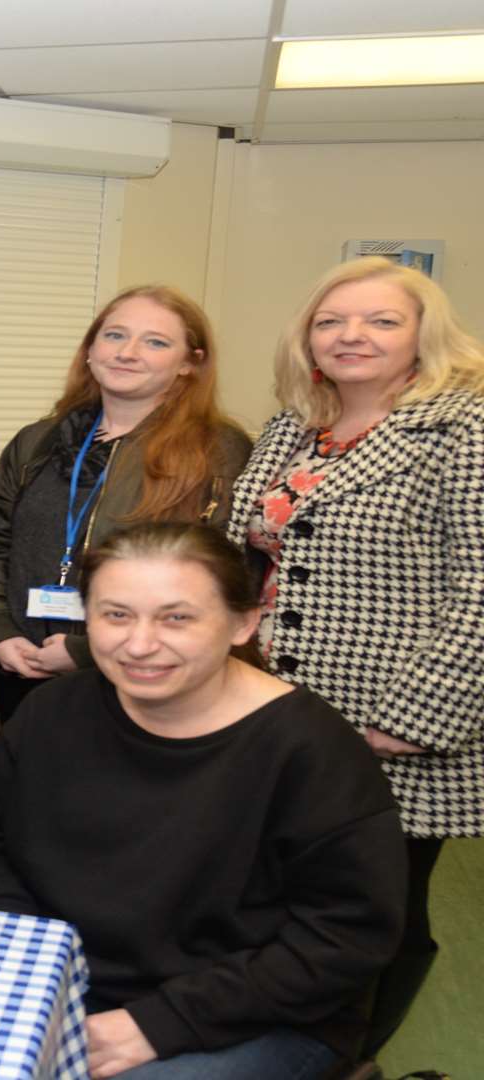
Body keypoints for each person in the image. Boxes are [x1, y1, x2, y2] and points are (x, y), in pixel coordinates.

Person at [0, 523, 406, 1079]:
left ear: (244, 622)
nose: (139, 644)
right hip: (55, 980)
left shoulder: (312, 753)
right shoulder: (49, 713)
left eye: (176, 617)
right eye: (116, 615)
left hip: (247, 1013)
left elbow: (344, 938)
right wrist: (36, 973)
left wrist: (158, 1024)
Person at [228, 256, 484, 1055]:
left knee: (376, 910)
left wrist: (415, 716)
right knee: (278, 889)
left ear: (423, 337)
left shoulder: (466, 427)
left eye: (381, 320)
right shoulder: (293, 425)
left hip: (390, 720)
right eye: (332, 320)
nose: (352, 336)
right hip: (273, 705)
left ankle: (349, 1058)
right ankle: (278, 1040)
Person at [0, 286, 252, 720]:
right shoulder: (39, 440)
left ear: (190, 363)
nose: (127, 352)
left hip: (146, 677)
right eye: (114, 335)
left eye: (155, 342)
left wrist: (86, 649)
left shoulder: (219, 451)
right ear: (91, 350)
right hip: (23, 670)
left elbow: (219, 577)